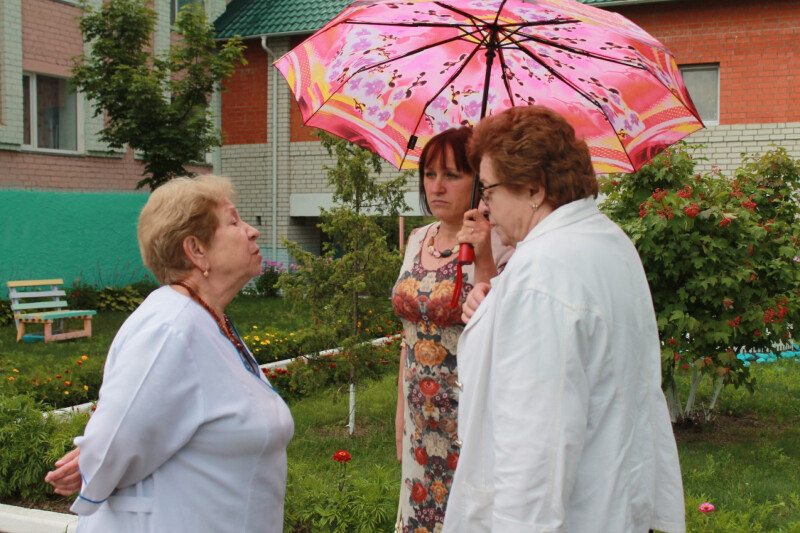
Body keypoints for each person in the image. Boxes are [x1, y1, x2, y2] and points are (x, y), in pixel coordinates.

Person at [441, 106, 685, 533]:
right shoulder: (606, 240)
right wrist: (498, 307)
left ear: (534, 189)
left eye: (490, 190)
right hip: (611, 506)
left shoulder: (542, 273)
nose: (484, 206)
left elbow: (534, 444)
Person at [44, 175, 294, 532]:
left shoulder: (208, 320)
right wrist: (94, 461)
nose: (252, 231)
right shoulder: (169, 329)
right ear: (196, 250)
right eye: (234, 222)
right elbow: (112, 447)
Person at [391, 126, 512, 532]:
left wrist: (483, 254)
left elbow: (499, 326)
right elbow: (409, 335)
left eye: (451, 175)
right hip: (419, 417)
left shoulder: (502, 241)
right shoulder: (418, 238)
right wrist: (401, 413)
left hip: (468, 417)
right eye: (429, 174)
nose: (436, 186)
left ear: (479, 181)